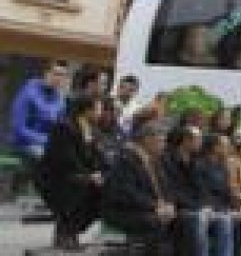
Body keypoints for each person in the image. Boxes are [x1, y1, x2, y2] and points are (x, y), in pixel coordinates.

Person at [101, 120, 176, 255]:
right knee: (155, 222)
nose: (164, 145)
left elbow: (167, 187)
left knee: (185, 220)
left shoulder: (156, 160)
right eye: (161, 141)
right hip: (123, 210)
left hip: (150, 208)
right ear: (147, 139)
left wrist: (169, 205)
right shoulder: (126, 159)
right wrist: (155, 207)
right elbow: (126, 193)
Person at [41, 94, 106, 250]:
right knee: (81, 186)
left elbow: (97, 156)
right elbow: (65, 159)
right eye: (98, 109)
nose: (101, 112)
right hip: (56, 176)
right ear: (87, 110)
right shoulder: (64, 127)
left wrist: (100, 172)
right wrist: (89, 176)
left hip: (77, 174)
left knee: (105, 191)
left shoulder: (91, 129)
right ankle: (66, 234)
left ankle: (70, 231)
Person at [163, 124, 233, 256]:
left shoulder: (195, 162)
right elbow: (172, 190)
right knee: (200, 218)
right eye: (198, 139)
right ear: (186, 140)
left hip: (196, 207)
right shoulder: (169, 160)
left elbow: (202, 189)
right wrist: (198, 207)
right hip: (178, 208)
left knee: (224, 219)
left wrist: (206, 206)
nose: (201, 143)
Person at [7, 61, 69, 160]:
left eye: (63, 76)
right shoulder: (29, 91)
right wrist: (46, 140)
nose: (59, 79)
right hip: (22, 144)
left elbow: (59, 127)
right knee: (46, 157)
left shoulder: (61, 99)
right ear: (46, 73)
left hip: (46, 145)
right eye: (56, 74)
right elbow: (18, 128)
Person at [194, 134, 237, 256]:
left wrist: (231, 208)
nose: (229, 148)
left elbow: (227, 193)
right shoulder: (200, 165)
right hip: (205, 208)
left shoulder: (222, 166)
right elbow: (202, 191)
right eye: (225, 146)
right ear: (215, 147)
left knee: (228, 218)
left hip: (221, 208)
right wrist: (218, 209)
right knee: (223, 220)